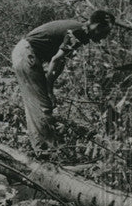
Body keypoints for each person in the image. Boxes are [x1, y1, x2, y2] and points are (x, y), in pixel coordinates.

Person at [11, 10, 114, 153]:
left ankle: (44, 148)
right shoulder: (80, 32)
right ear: (97, 26)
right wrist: (49, 89)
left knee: (37, 103)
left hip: (24, 52)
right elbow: (56, 60)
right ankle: (46, 152)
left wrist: (50, 89)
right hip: (26, 54)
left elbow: (61, 62)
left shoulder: (80, 31)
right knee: (42, 105)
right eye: (105, 32)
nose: (104, 37)